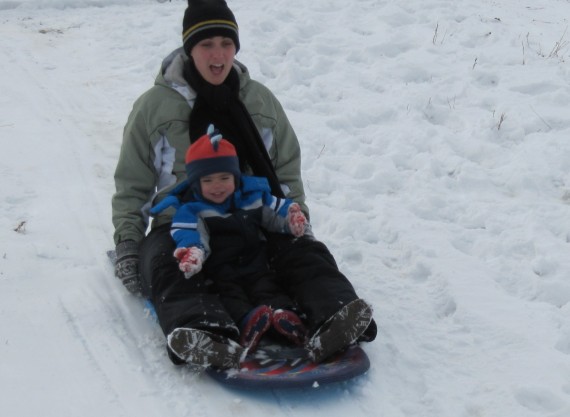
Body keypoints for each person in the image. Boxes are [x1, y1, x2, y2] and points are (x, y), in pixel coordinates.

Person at [111, 0, 377, 369]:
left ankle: (336, 316)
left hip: (253, 213)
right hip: (183, 221)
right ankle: (206, 334)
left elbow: (285, 171)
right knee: (172, 267)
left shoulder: (258, 101)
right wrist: (128, 243)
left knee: (304, 256)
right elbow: (133, 182)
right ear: (190, 49)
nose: (218, 55)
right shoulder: (155, 107)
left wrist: (297, 218)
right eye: (206, 44)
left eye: (226, 43)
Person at [150, 125, 308, 351]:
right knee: (230, 297)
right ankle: (248, 324)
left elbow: (276, 211)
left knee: (270, 290)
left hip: (256, 265)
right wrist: (193, 252)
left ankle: (286, 320)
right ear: (196, 183)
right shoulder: (193, 209)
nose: (217, 186)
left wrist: (291, 218)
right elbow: (190, 234)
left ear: (236, 177)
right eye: (208, 180)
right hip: (221, 272)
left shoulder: (252, 197)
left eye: (224, 177)